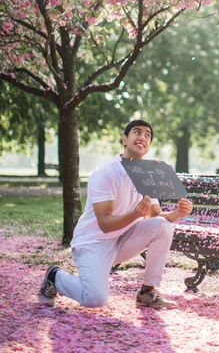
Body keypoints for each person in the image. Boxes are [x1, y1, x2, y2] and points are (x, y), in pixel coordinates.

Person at [38, 119, 193, 309]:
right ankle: (55, 276)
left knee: (164, 226)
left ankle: (147, 291)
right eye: (137, 132)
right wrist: (135, 214)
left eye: (148, 135)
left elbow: (155, 216)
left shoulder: (147, 174)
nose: (142, 137)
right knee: (94, 299)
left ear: (149, 145)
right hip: (93, 242)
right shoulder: (105, 173)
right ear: (125, 140)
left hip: (122, 241)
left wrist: (177, 213)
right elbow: (104, 223)